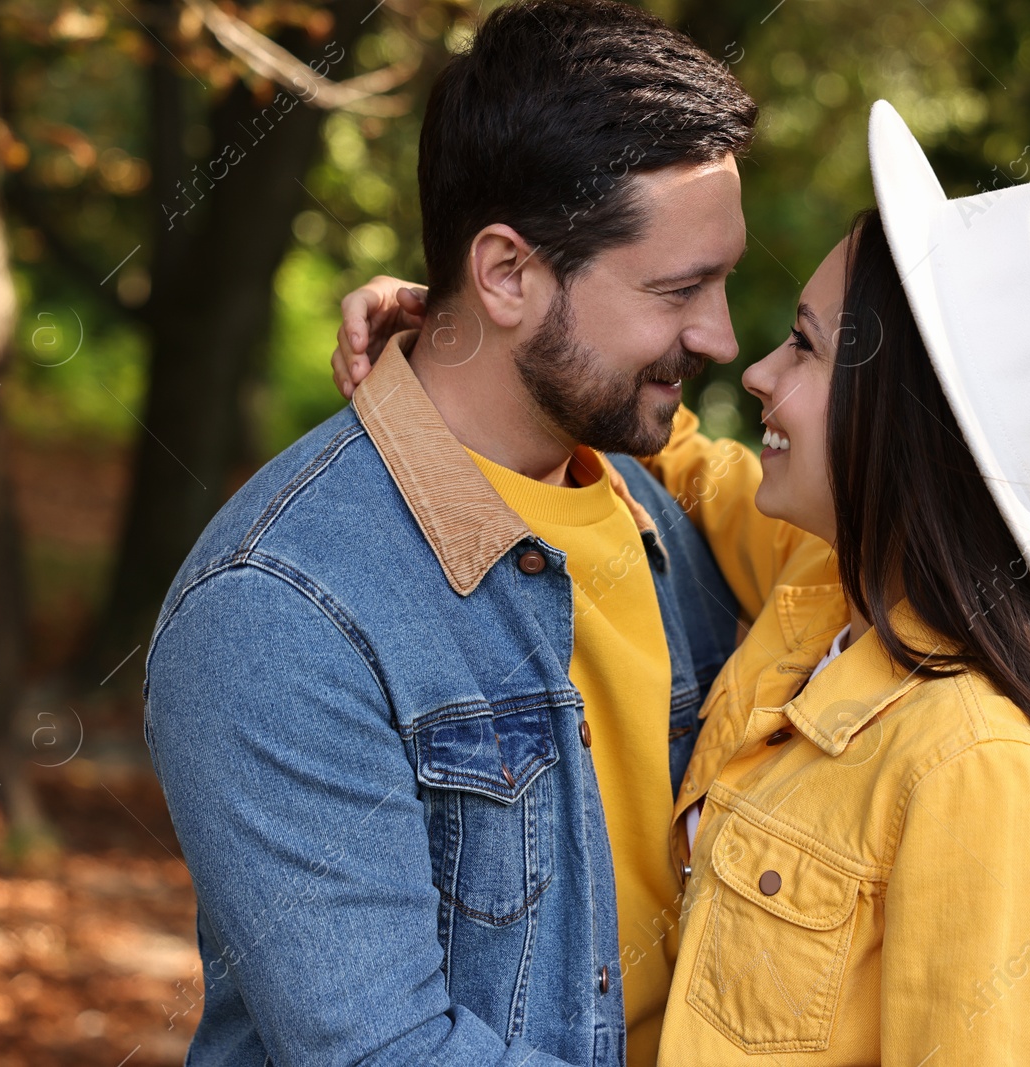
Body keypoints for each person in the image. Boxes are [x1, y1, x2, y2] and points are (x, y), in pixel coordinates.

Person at [334, 101, 1030, 1062]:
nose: (754, 371)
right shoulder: (824, 584)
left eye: (804, 345)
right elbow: (686, 460)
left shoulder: (978, 770)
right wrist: (475, 328)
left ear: (903, 419)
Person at [143, 3, 772, 1064]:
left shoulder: (664, 510)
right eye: (678, 289)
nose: (720, 334)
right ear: (507, 273)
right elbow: (385, 1049)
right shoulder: (279, 608)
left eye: (722, 281)